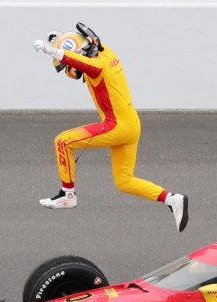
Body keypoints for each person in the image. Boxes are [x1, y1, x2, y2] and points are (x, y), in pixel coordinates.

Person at [33, 23, 189, 232]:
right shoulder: (106, 52)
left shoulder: (96, 66)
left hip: (116, 127)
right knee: (124, 181)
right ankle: (172, 199)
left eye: (68, 69)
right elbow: (86, 45)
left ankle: (67, 195)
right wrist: (61, 38)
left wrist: (54, 51)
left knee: (62, 141)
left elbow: (80, 62)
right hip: (132, 125)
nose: (70, 72)